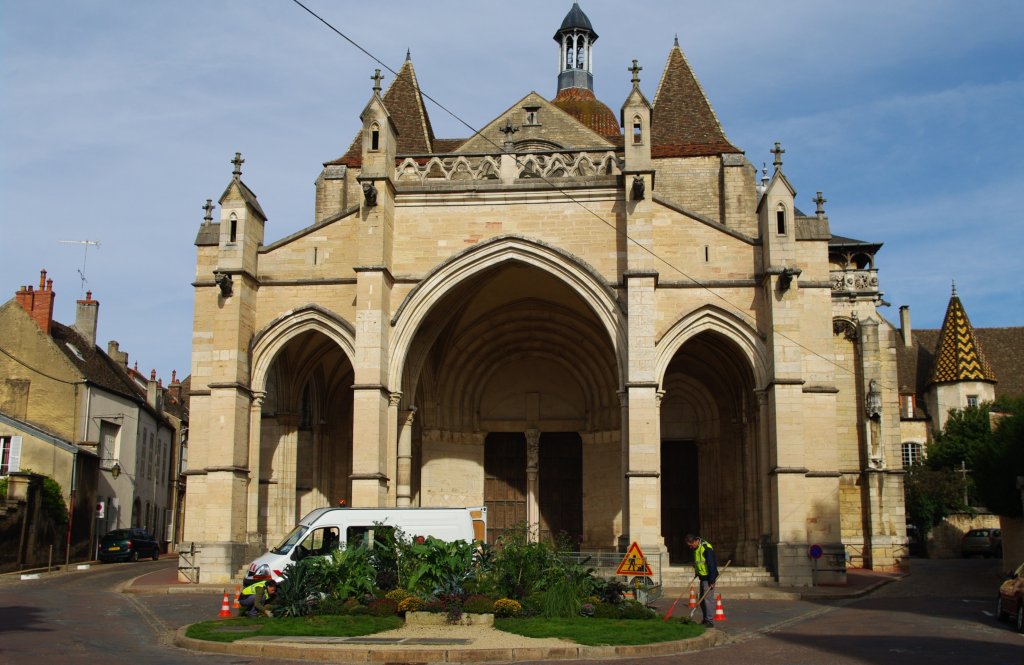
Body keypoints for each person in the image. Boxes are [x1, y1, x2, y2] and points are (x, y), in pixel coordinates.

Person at [686, 533, 719, 627]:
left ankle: (709, 621)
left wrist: (712, 580)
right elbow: (699, 562)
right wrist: (697, 572)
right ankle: (705, 619)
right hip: (702, 577)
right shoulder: (696, 548)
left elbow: (711, 564)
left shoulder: (706, 548)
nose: (690, 547)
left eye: (691, 545)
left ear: (696, 541)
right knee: (701, 599)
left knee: (707, 600)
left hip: (708, 578)